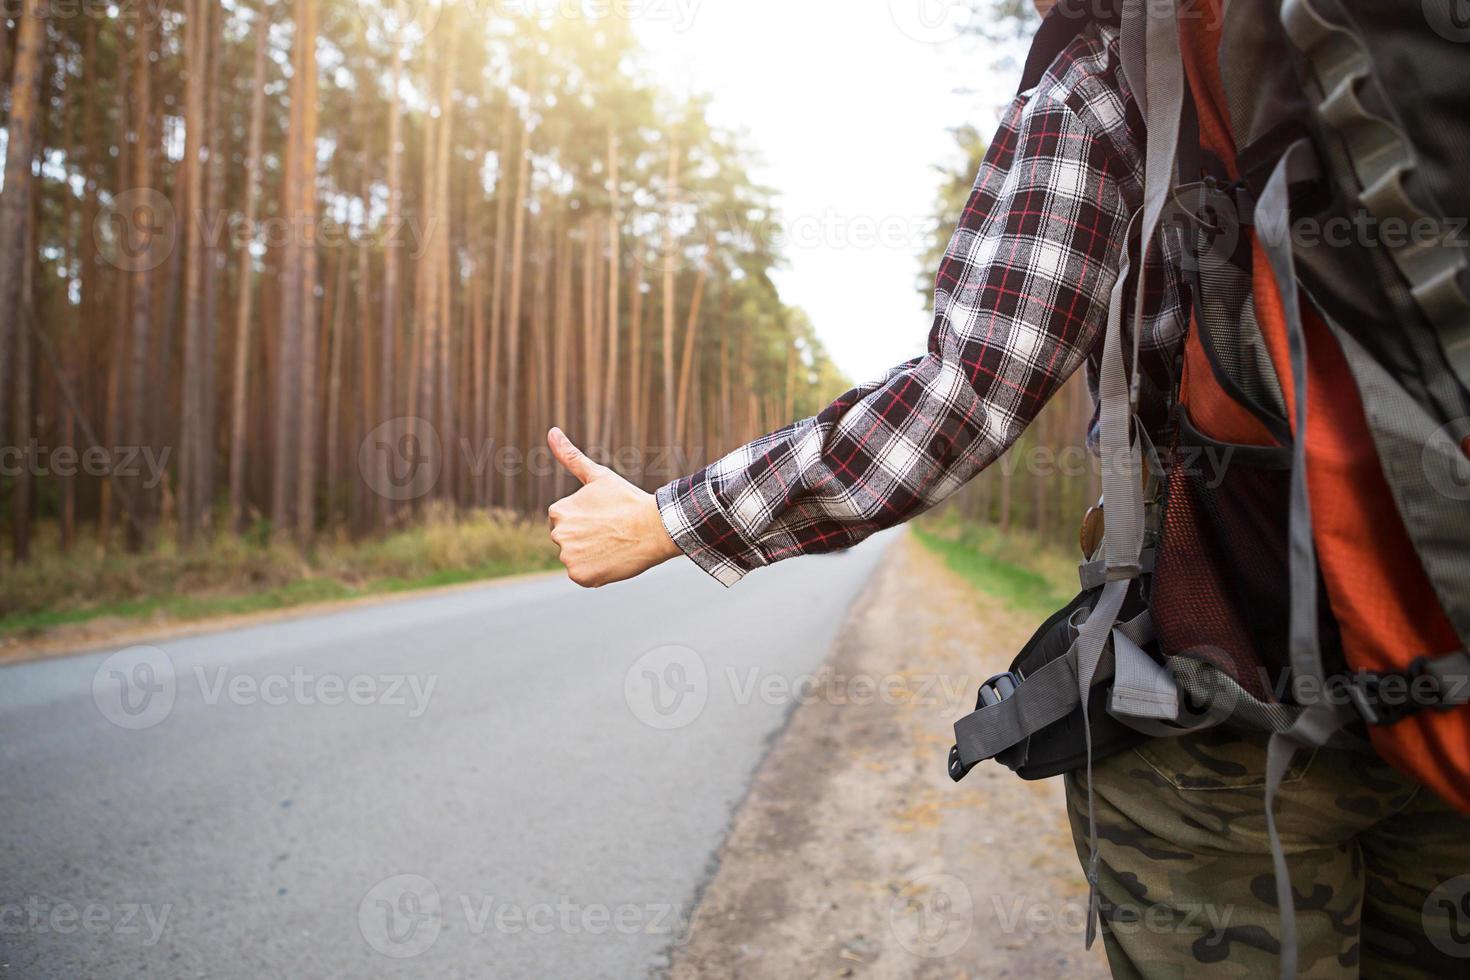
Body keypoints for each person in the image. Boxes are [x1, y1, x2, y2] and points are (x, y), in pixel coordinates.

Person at [543, 2, 1470, 976]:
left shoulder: (1126, 68)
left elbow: (968, 389)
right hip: (1446, 683)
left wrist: (668, 518)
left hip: (1223, 705)